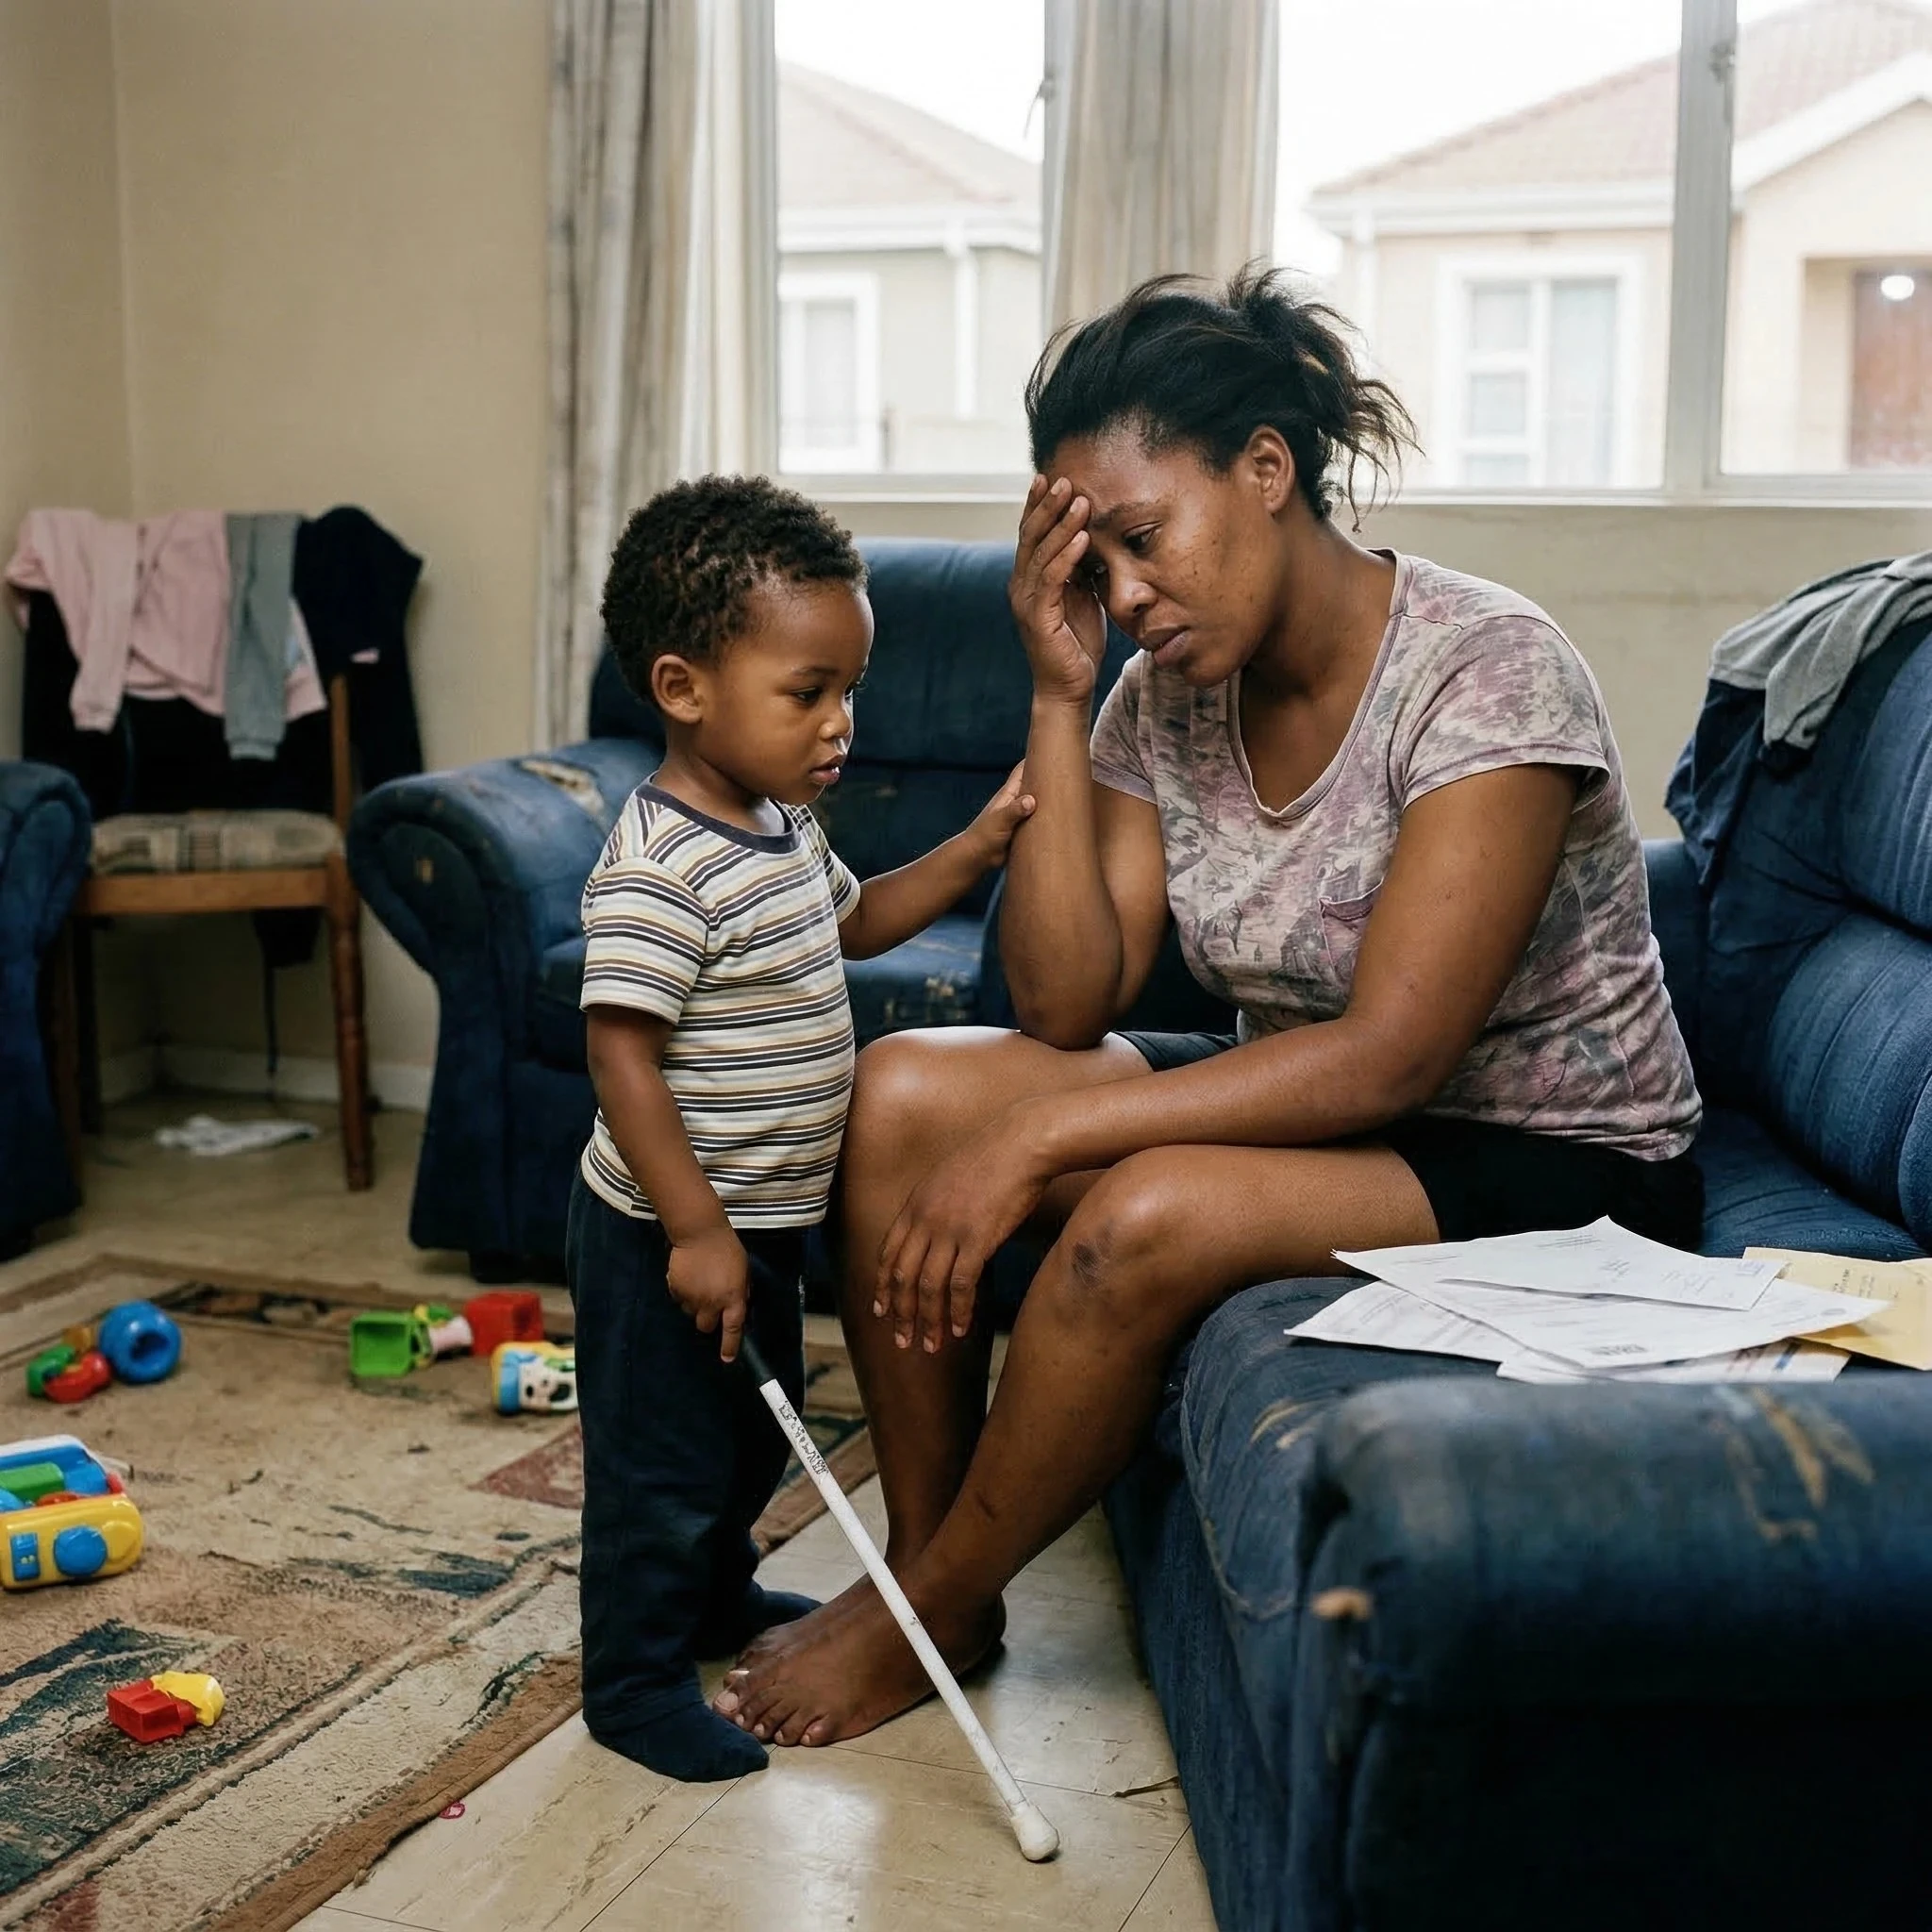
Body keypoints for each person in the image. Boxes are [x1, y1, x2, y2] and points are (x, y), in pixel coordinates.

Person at [711, 267, 1704, 1750]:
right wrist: (1057, 689)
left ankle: (925, 1600)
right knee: (911, 1088)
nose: (1126, 595)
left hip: (1554, 1154)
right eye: (1093, 565)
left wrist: (1047, 1152)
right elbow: (1060, 999)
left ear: (1265, 469)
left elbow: (1391, 1055)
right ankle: (944, 1576)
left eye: (1141, 539)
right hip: (1312, 1105)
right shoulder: (1157, 692)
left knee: (1147, 1210)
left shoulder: (1486, 668)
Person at [571, 476, 1034, 1782]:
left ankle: (718, 1605)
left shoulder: (779, 828)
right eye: (807, 692)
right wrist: (697, 1228)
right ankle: (633, 1680)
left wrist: (981, 844)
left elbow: (853, 924)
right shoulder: (661, 863)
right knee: (660, 1471)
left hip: (765, 1225)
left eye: (851, 692)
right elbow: (620, 1050)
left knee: (737, 1450)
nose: (840, 726)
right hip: (668, 1233)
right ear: (682, 688)